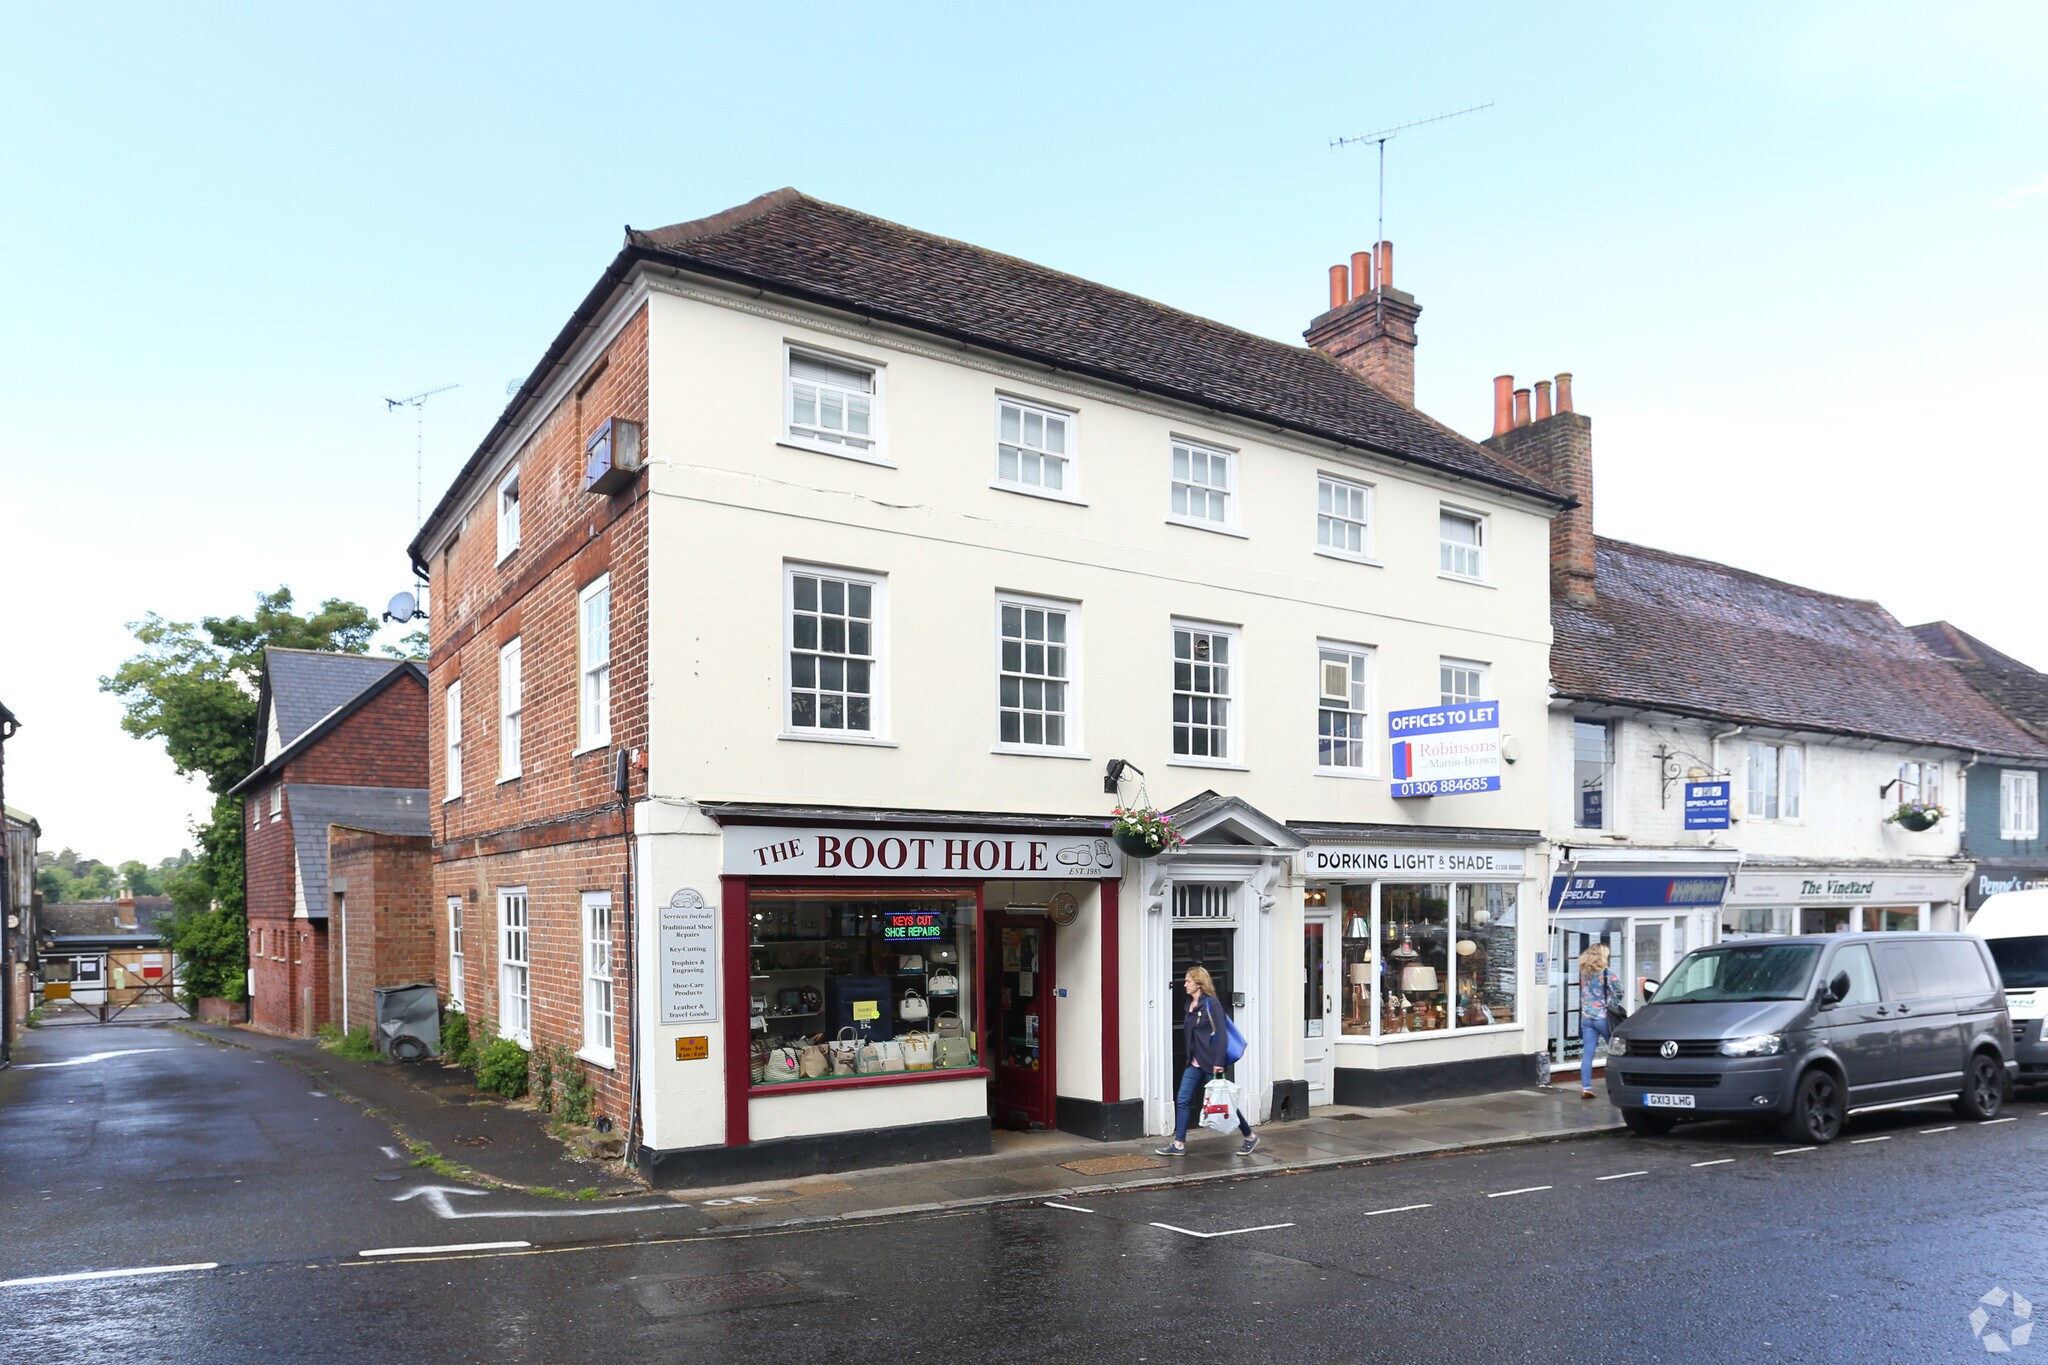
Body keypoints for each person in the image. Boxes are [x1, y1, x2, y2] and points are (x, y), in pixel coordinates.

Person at [1156, 966, 1258, 1156]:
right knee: (1183, 1099)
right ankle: (1179, 1144)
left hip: (1212, 1063)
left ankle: (1250, 1136)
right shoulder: (1189, 1004)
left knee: (1225, 1102)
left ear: (1199, 983)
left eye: (1188, 981)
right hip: (1194, 1062)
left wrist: (1219, 1062)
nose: (1185, 984)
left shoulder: (1212, 1003)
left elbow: (1221, 1034)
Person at [1578, 944, 1621, 1099]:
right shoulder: (1607, 974)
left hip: (1586, 1018)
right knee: (1616, 1052)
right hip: (1603, 1018)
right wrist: (1611, 1004)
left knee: (1588, 1053)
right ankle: (1618, 1085)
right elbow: (1619, 993)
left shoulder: (1584, 973)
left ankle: (1586, 1087)